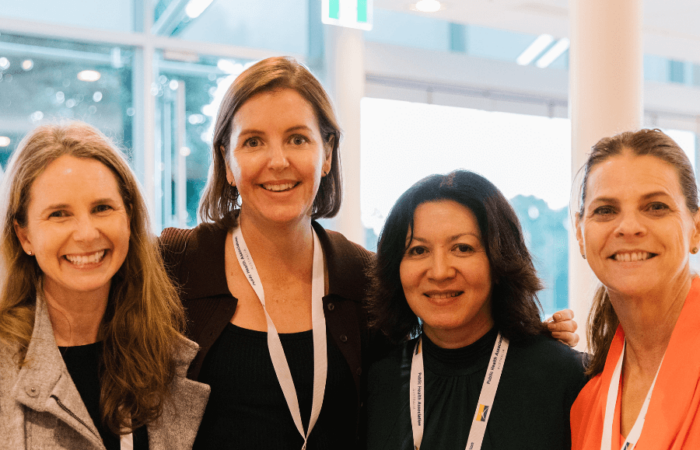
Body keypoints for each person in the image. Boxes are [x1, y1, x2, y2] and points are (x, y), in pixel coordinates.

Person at [159, 56, 579, 449]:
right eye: (253, 142)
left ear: (326, 154)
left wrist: (529, 340)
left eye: (297, 139)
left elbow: (449, 335)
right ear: (226, 161)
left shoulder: (363, 277)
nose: (278, 160)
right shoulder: (173, 266)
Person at [0, 122, 210, 449]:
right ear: (24, 235)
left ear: (128, 216)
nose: (86, 233)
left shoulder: (163, 351)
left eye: (102, 208)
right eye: (59, 214)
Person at [366, 170, 588, 450]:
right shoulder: (375, 381)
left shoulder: (567, 378)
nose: (439, 271)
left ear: (499, 261)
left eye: (462, 248)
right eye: (418, 250)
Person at [570, 129, 700, 449]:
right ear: (580, 233)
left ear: (696, 229)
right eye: (606, 210)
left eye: (655, 207)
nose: (629, 227)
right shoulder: (585, 401)